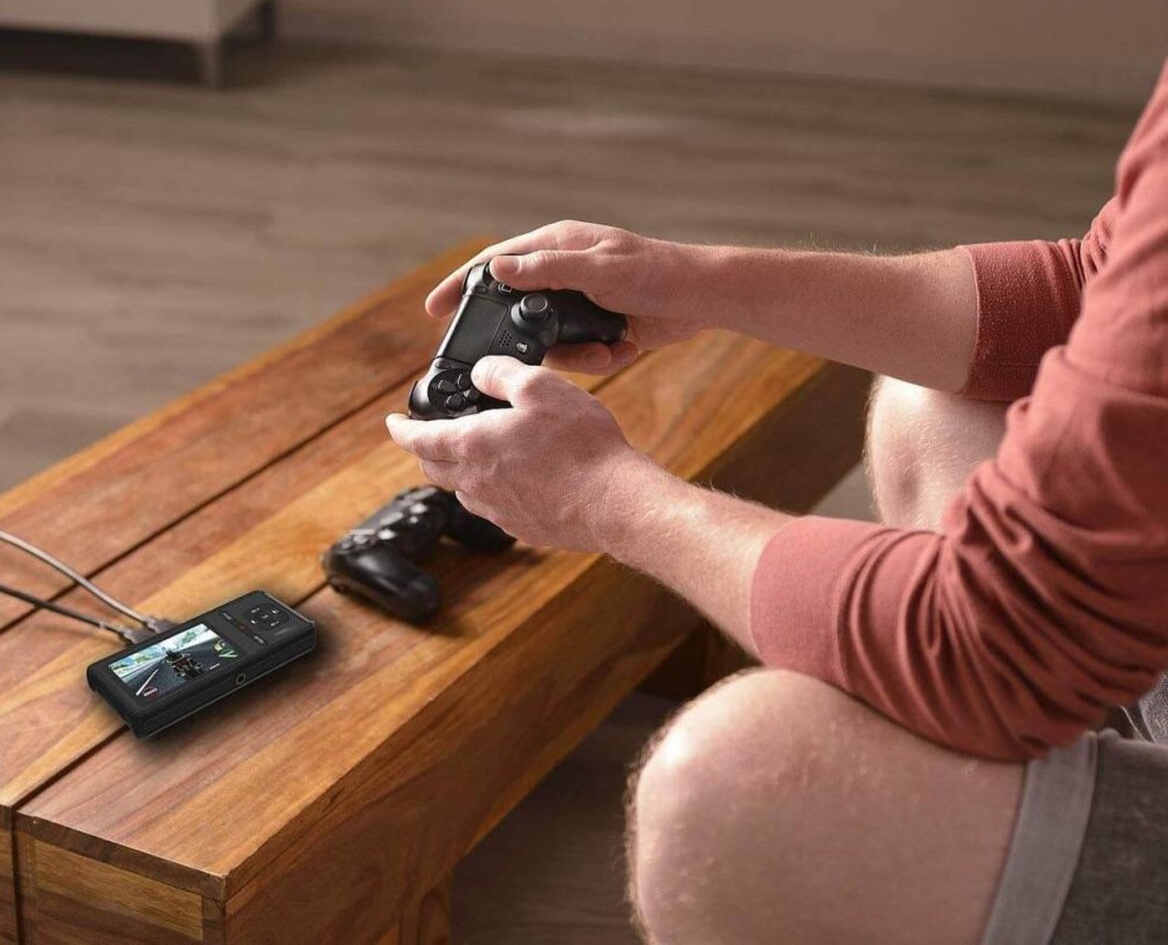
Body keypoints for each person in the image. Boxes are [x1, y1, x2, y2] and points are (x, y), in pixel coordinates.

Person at [386, 60, 1168, 944]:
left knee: (737, 787)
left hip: (1021, 649)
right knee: (943, 404)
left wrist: (606, 498)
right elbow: (1096, 290)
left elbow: (988, 640)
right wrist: (692, 280)